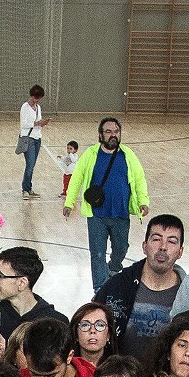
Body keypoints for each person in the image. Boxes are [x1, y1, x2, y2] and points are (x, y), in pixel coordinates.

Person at [93, 214, 189, 363]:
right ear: (145, 246)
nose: (163, 247)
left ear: (180, 252)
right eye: (156, 239)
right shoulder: (117, 286)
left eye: (171, 241)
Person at [66, 117, 151, 291]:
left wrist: (143, 201)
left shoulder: (128, 155)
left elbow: (140, 179)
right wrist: (69, 202)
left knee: (121, 248)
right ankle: (100, 290)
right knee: (97, 254)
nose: (113, 135)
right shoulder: (90, 154)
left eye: (116, 132)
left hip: (121, 213)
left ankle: (113, 269)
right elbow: (77, 178)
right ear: (100, 135)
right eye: (108, 132)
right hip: (97, 215)